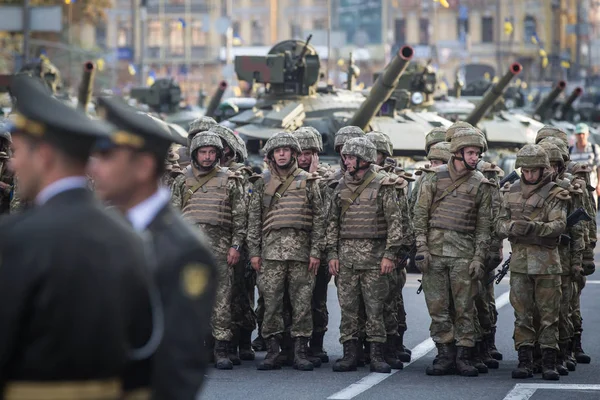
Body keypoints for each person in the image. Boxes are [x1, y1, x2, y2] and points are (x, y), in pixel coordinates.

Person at [0, 75, 152, 399]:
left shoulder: (15, 239)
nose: (12, 164)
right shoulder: (130, 239)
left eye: (19, 152)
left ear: (44, 155)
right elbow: (143, 348)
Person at [89, 96, 218, 399]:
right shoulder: (107, 231)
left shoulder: (181, 248)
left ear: (144, 166)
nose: (95, 168)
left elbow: (179, 366)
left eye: (107, 157)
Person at [413, 128, 492, 377]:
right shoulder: (433, 178)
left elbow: (483, 226)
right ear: (457, 153)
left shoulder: (480, 182)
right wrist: (422, 248)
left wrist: (479, 257)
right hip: (434, 254)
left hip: (463, 255)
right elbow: (420, 215)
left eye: (477, 153)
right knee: (438, 306)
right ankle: (444, 353)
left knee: (465, 307)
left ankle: (464, 355)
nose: (474, 157)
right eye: (470, 152)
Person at [247, 131, 325, 371]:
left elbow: (320, 220)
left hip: (301, 256)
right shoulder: (262, 183)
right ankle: (272, 352)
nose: (282, 154)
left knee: (302, 305)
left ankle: (300, 352)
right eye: (277, 151)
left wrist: (315, 252)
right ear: (271, 155)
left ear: (294, 153)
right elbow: (254, 220)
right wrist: (254, 252)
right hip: (270, 256)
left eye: (286, 150)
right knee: (271, 305)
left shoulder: (309, 181)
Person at [171, 130, 247, 370]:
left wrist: (235, 246)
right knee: (192, 298)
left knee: (222, 300)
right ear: (195, 154)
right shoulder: (182, 180)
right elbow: (173, 216)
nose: (206, 157)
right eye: (202, 152)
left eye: (211, 152)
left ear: (218, 154)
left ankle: (221, 348)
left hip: (221, 250)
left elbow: (240, 217)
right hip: (190, 251)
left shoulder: (230, 180)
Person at [327, 137, 403, 374]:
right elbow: (331, 224)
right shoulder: (339, 186)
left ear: (363, 159)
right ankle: (350, 354)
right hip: (346, 259)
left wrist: (390, 255)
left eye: (350, 157)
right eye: (345, 157)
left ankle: (377, 355)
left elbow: (395, 223)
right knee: (348, 309)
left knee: (375, 309)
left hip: (375, 259)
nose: (346, 161)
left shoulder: (383, 185)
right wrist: (332, 254)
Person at [496, 144, 569, 381]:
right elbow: (498, 224)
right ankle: (525, 360)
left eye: (533, 171)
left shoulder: (555, 193)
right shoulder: (511, 191)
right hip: (520, 263)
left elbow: (559, 225)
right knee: (522, 315)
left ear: (542, 169)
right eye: (525, 171)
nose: (528, 175)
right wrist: (511, 227)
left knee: (549, 315)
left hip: (547, 263)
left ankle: (549, 361)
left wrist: (534, 227)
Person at [568, 123, 600, 204]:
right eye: (579, 134)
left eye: (583, 134)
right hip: (574, 188)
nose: (581, 136)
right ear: (575, 135)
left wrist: (599, 184)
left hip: (591, 187)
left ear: (588, 134)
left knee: (591, 212)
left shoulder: (594, 148)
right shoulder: (570, 150)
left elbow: (599, 167)